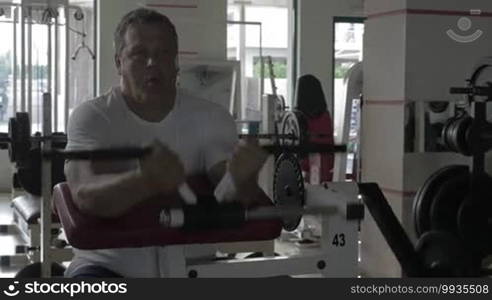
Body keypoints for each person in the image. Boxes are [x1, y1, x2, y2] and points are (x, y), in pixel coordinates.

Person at [64, 8, 268, 278]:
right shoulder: (93, 117)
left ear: (175, 63)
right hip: (106, 267)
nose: (152, 62)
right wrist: (146, 181)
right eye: (139, 54)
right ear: (118, 63)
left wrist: (243, 179)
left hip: (195, 270)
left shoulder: (211, 117)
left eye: (163, 53)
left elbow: (230, 193)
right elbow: (85, 195)